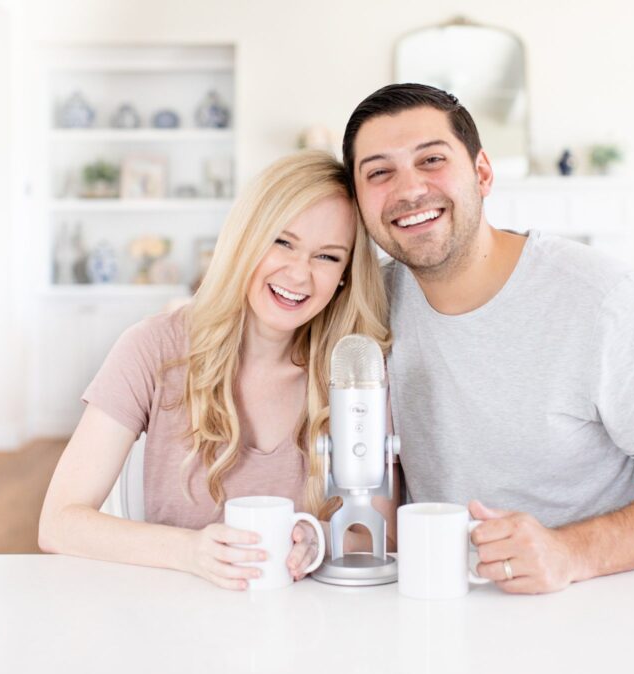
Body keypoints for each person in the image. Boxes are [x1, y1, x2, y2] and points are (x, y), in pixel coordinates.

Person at [342, 84, 634, 594]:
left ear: (483, 173)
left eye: (432, 160)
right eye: (379, 172)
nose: (409, 189)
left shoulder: (606, 299)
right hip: (445, 599)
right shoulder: (369, 305)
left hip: (602, 599)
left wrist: (570, 552)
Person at [39, 151, 390, 590]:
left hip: (311, 621)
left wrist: (320, 540)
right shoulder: (153, 348)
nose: (299, 274)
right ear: (246, 239)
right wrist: (189, 551)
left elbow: (382, 537)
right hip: (177, 617)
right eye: (282, 242)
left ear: (344, 277)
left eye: (327, 257)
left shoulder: (353, 373)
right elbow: (59, 523)